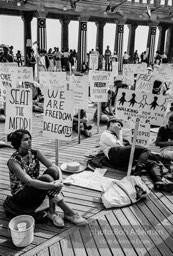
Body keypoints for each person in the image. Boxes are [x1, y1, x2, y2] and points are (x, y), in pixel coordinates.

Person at [5, 129, 87, 226]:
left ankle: (52, 212)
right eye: (26, 139)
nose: (30, 141)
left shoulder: (35, 153)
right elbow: (29, 182)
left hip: (35, 190)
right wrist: (52, 185)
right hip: (21, 195)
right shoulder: (13, 162)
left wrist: (59, 181)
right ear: (18, 143)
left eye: (30, 138)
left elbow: (55, 167)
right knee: (47, 179)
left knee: (53, 172)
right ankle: (68, 212)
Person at [100, 118, 173, 192]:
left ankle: (158, 182)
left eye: (121, 127)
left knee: (151, 162)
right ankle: (137, 173)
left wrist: (119, 134)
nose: (119, 128)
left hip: (122, 156)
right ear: (111, 124)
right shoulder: (105, 134)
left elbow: (121, 145)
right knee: (145, 150)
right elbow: (117, 145)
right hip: (113, 153)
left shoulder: (116, 134)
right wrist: (119, 133)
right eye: (118, 125)